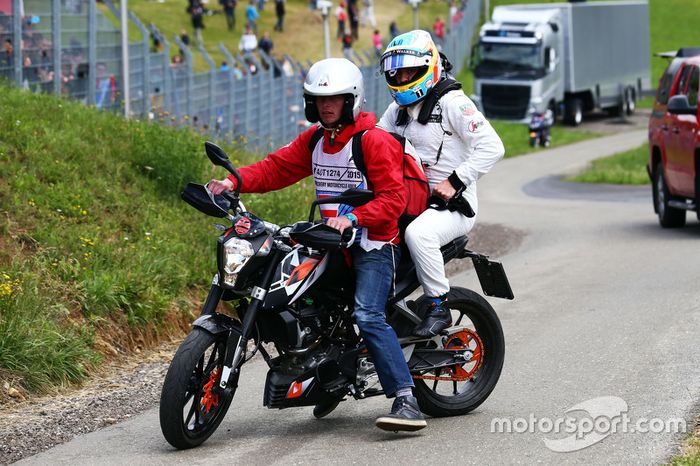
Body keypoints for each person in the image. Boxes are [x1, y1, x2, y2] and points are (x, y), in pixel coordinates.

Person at [208, 58, 427, 432]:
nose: (326, 106)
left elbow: (393, 199)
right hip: (331, 240)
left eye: (335, 99)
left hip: (375, 243)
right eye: (319, 99)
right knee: (299, 295)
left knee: (367, 314)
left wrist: (353, 218)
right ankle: (329, 374)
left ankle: (405, 398)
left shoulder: (373, 140)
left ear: (351, 100)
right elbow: (277, 167)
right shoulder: (317, 139)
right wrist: (234, 183)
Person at [377, 30, 504, 338]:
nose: (403, 77)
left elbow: (493, 146)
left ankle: (438, 307)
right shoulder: (398, 111)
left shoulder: (453, 103)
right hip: (409, 202)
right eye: (398, 72)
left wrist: (455, 180)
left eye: (410, 70)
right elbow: (375, 141)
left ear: (428, 66)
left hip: (452, 207)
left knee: (418, 234)